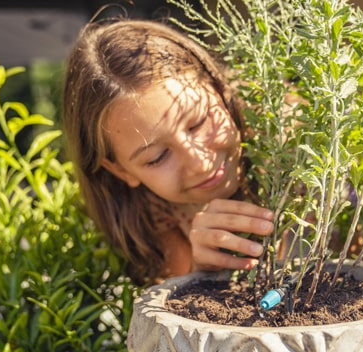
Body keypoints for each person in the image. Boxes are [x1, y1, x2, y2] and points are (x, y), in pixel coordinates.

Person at [62, 19, 275, 285]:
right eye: (157, 158)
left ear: (219, 89)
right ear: (120, 170)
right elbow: (177, 302)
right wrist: (202, 269)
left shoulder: (292, 136)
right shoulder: (154, 215)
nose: (199, 163)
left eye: (198, 123)